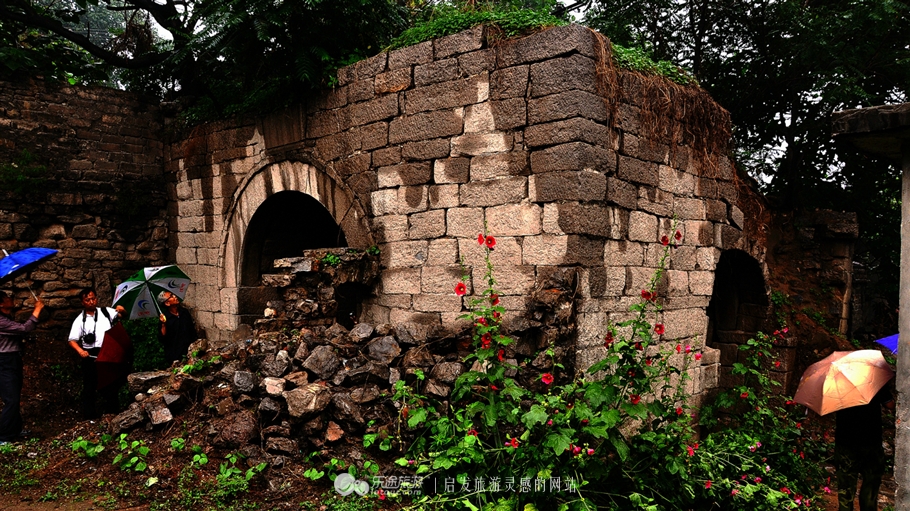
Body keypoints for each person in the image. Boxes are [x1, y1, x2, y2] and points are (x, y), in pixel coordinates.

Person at [67, 288, 125, 419]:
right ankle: (89, 416)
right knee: (89, 385)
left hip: (107, 350)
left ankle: (113, 412)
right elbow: (72, 340)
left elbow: (122, 316)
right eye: (87, 300)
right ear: (82, 302)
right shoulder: (80, 320)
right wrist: (81, 351)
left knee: (111, 382)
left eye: (93, 298)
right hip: (90, 355)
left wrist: (122, 310)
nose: (91, 302)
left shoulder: (105, 312)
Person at [835, 386, 893, 511]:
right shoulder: (872, 379)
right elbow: (890, 404)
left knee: (846, 486)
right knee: (871, 483)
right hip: (870, 440)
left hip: (845, 440)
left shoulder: (837, 383)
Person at [0, 292, 43, 445]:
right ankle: (3, 436)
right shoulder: (1, 321)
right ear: (1, 304)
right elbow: (25, 328)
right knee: (11, 399)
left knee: (15, 396)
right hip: (4, 362)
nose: (11, 298)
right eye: (6, 297)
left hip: (13, 359)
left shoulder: (8, 318)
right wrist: (37, 310)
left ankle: (14, 429)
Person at [157, 290, 197, 364]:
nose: (175, 296)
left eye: (173, 294)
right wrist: (163, 324)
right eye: (171, 296)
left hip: (189, 350)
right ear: (167, 303)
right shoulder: (165, 318)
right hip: (174, 353)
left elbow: (192, 330)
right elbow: (162, 337)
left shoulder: (184, 312)